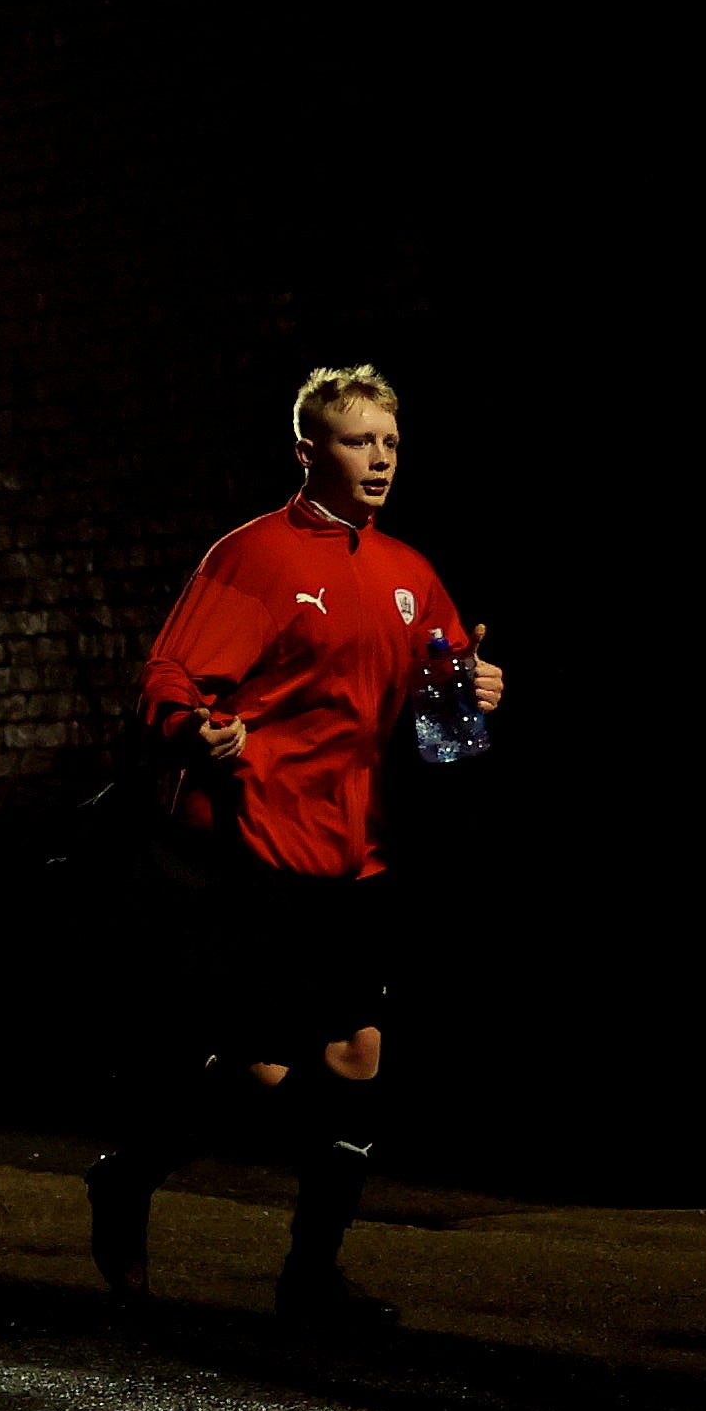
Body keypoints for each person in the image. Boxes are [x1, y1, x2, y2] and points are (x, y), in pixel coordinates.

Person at [83, 363, 502, 1327]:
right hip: (254, 848)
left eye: (391, 443)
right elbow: (171, 681)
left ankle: (310, 1275)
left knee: (358, 1059)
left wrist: (471, 691)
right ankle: (133, 1171)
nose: (381, 459)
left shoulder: (407, 574)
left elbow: (440, 725)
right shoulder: (257, 558)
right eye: (360, 442)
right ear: (309, 450)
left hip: (355, 856)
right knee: (260, 1068)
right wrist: (200, 729)